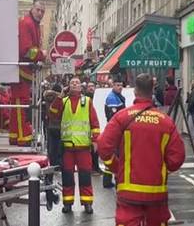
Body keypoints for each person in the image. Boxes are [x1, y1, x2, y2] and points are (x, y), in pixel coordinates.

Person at [98, 73, 185, 226]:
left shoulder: (122, 117)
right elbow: (177, 158)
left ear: (135, 91)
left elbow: (103, 147)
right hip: (156, 193)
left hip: (128, 191)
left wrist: (116, 167)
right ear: (152, 91)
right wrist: (163, 169)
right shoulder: (166, 122)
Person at [49, 77, 100, 214]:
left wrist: (95, 140)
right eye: (72, 82)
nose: (75, 84)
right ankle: (68, 203)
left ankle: (87, 203)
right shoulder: (63, 101)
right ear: (69, 86)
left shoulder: (87, 101)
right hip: (67, 148)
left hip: (83, 147)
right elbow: (52, 114)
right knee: (67, 177)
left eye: (77, 82)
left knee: (85, 177)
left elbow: (94, 123)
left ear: (80, 87)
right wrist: (59, 96)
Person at [9, 1, 46, 147]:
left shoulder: (32, 23)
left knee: (17, 102)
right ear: (32, 9)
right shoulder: (27, 23)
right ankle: (22, 135)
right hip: (22, 69)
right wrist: (41, 55)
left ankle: (14, 134)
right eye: (38, 10)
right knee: (20, 102)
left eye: (42, 11)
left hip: (24, 69)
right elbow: (26, 50)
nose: (40, 13)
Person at [102, 78, 126, 188]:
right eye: (117, 85)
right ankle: (117, 181)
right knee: (117, 156)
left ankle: (107, 180)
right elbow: (115, 117)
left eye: (121, 85)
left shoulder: (118, 97)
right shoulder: (112, 98)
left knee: (113, 156)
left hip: (115, 130)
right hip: (116, 131)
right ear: (113, 86)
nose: (120, 87)